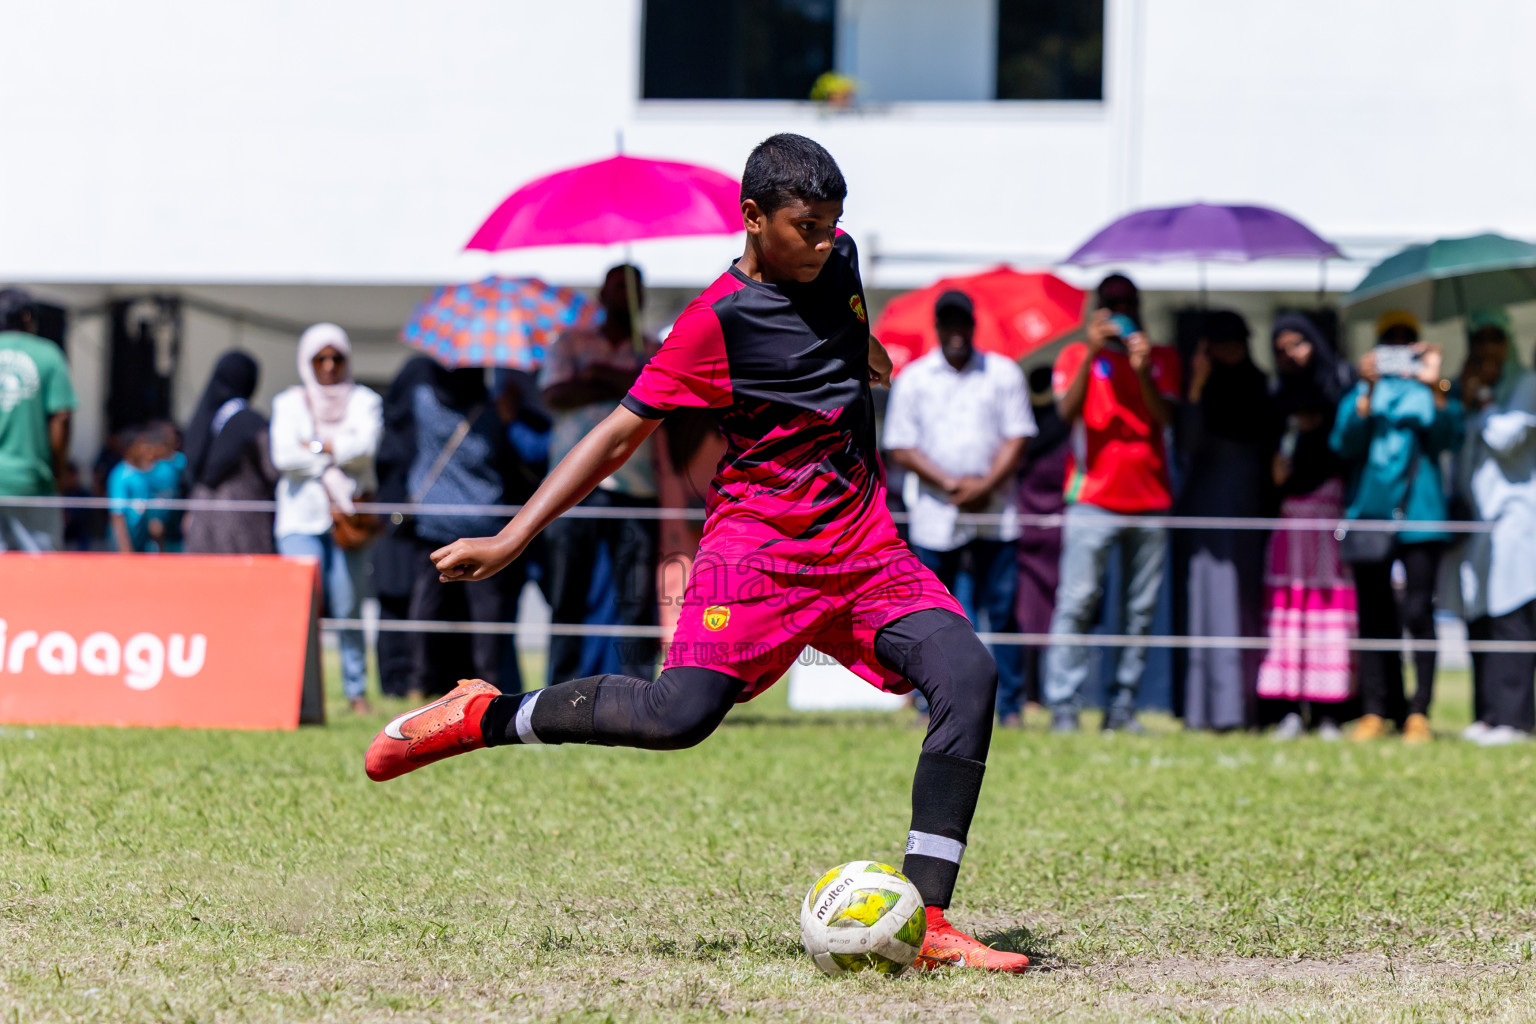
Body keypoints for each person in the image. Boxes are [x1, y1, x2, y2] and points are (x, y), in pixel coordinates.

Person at [366, 134, 1031, 973]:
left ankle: (928, 919)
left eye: (834, 225)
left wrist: (864, 355)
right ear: (753, 219)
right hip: (756, 554)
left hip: (864, 548)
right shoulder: (710, 324)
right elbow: (614, 438)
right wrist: (511, 536)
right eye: (807, 226)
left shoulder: (841, 262)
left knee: (968, 674)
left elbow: (844, 332)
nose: (826, 241)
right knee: (675, 718)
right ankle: (481, 715)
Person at [883, 289, 1035, 727]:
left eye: (962, 323)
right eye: (947, 324)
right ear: (938, 327)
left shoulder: (1002, 373)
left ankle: (1009, 706)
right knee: (932, 613)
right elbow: (900, 446)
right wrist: (952, 484)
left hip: (995, 510)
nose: (955, 333)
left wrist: (985, 485)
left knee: (1002, 610)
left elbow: (1018, 435)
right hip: (936, 511)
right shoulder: (914, 377)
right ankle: (931, 703)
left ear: (972, 325)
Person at [1045, 275, 1181, 733]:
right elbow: (1066, 414)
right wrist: (1091, 353)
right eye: (1110, 303)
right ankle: (1064, 704)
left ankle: (1121, 707)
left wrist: (1142, 372)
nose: (1120, 310)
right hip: (1092, 498)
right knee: (1078, 601)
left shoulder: (1161, 357)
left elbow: (1166, 418)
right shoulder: (1075, 355)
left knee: (1138, 612)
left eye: (1127, 303)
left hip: (1150, 498)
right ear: (1097, 310)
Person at [1331, 310, 1463, 743]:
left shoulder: (1432, 391)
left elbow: (1450, 439)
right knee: (1374, 617)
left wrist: (1434, 383)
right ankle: (1376, 709)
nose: (1399, 349)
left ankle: (1419, 711)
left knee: (1418, 613)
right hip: (1371, 512)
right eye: (1390, 341)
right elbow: (1343, 443)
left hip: (1421, 513)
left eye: (1408, 341)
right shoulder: (1364, 392)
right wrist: (1366, 388)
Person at [539, 265, 661, 684]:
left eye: (631, 290)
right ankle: (559, 684)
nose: (624, 296)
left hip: (637, 486)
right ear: (601, 295)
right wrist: (624, 385)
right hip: (575, 487)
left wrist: (596, 377)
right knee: (567, 592)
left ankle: (640, 686)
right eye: (615, 288)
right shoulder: (571, 342)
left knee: (637, 596)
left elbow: (666, 400)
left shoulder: (652, 350)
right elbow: (555, 393)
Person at [271, 323, 383, 714]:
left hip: (348, 519)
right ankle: (294, 690)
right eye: (321, 358)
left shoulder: (365, 400)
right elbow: (283, 457)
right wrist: (336, 451)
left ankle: (356, 691)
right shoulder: (289, 402)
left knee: (349, 605)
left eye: (337, 357)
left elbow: (365, 448)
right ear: (307, 361)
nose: (330, 366)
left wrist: (314, 448)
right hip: (300, 520)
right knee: (299, 608)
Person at [1256, 314, 1357, 739]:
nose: (1290, 356)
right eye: (1280, 350)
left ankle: (1330, 708)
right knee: (1290, 611)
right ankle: (1289, 707)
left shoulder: (1341, 386)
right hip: (1290, 517)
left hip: (1329, 514)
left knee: (1328, 609)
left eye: (1298, 344)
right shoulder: (1276, 396)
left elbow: (1348, 448)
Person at [405, 363, 533, 698]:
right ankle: (486, 687)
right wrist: (508, 418)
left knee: (427, 607)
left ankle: (418, 683)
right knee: (486, 616)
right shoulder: (491, 412)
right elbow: (503, 459)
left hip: (432, 519)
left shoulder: (423, 401)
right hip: (483, 525)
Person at [1176, 311, 1275, 731]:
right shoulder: (1200, 390)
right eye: (1221, 342)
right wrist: (1196, 385)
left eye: (1236, 341)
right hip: (1207, 503)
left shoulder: (1261, 386)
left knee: (1245, 601)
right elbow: (1187, 444)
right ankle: (1207, 710)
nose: (1230, 350)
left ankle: (1246, 707)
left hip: (1249, 504)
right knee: (1207, 600)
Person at [1455, 308, 1536, 745]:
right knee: (1479, 612)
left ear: (1507, 343)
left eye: (1493, 339)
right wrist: (1464, 398)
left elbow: (1506, 440)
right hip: (1478, 519)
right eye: (1478, 340)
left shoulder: (1526, 384)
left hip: (1518, 518)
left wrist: (1484, 399)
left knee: (1512, 613)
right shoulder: (1470, 390)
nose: (1485, 348)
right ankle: (1487, 712)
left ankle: (1515, 719)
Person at [1010, 365, 1071, 723]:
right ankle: (1041, 694)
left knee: (1031, 613)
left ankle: (1036, 694)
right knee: (1047, 612)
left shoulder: (1024, 425)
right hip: (1046, 529)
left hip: (1034, 528)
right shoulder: (1064, 423)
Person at [0, 288, 76, 552]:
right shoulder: (47, 355)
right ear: (27, 317)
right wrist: (58, 474)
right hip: (32, 481)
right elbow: (61, 420)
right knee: (41, 578)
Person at [182, 351, 278, 554]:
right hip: (244, 522)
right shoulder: (252, 422)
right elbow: (271, 469)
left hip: (201, 520)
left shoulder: (202, 420)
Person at [106, 424, 183, 553]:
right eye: (142, 445)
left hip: (142, 542)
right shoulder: (120, 475)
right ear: (130, 448)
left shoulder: (144, 473)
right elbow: (117, 516)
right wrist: (125, 550)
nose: (147, 449)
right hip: (125, 544)